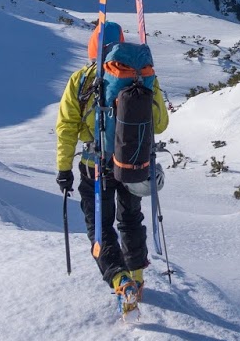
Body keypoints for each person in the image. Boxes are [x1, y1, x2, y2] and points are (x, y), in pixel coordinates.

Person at [56, 20, 170, 301]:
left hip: (95, 165)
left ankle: (119, 279)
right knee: (131, 219)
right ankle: (138, 277)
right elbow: (160, 124)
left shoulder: (82, 79)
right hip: (132, 162)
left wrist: (64, 168)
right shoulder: (141, 77)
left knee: (99, 225)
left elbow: (67, 126)